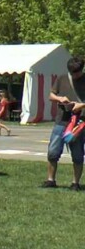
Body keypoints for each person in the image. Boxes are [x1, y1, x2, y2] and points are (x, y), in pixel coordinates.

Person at [42, 56, 85, 190]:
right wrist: (60, 98)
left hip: (79, 123)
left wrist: (82, 105)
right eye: (72, 73)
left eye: (76, 73)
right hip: (61, 121)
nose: (74, 75)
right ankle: (50, 180)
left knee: (78, 155)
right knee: (53, 152)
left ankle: (75, 183)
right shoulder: (62, 78)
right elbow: (51, 95)